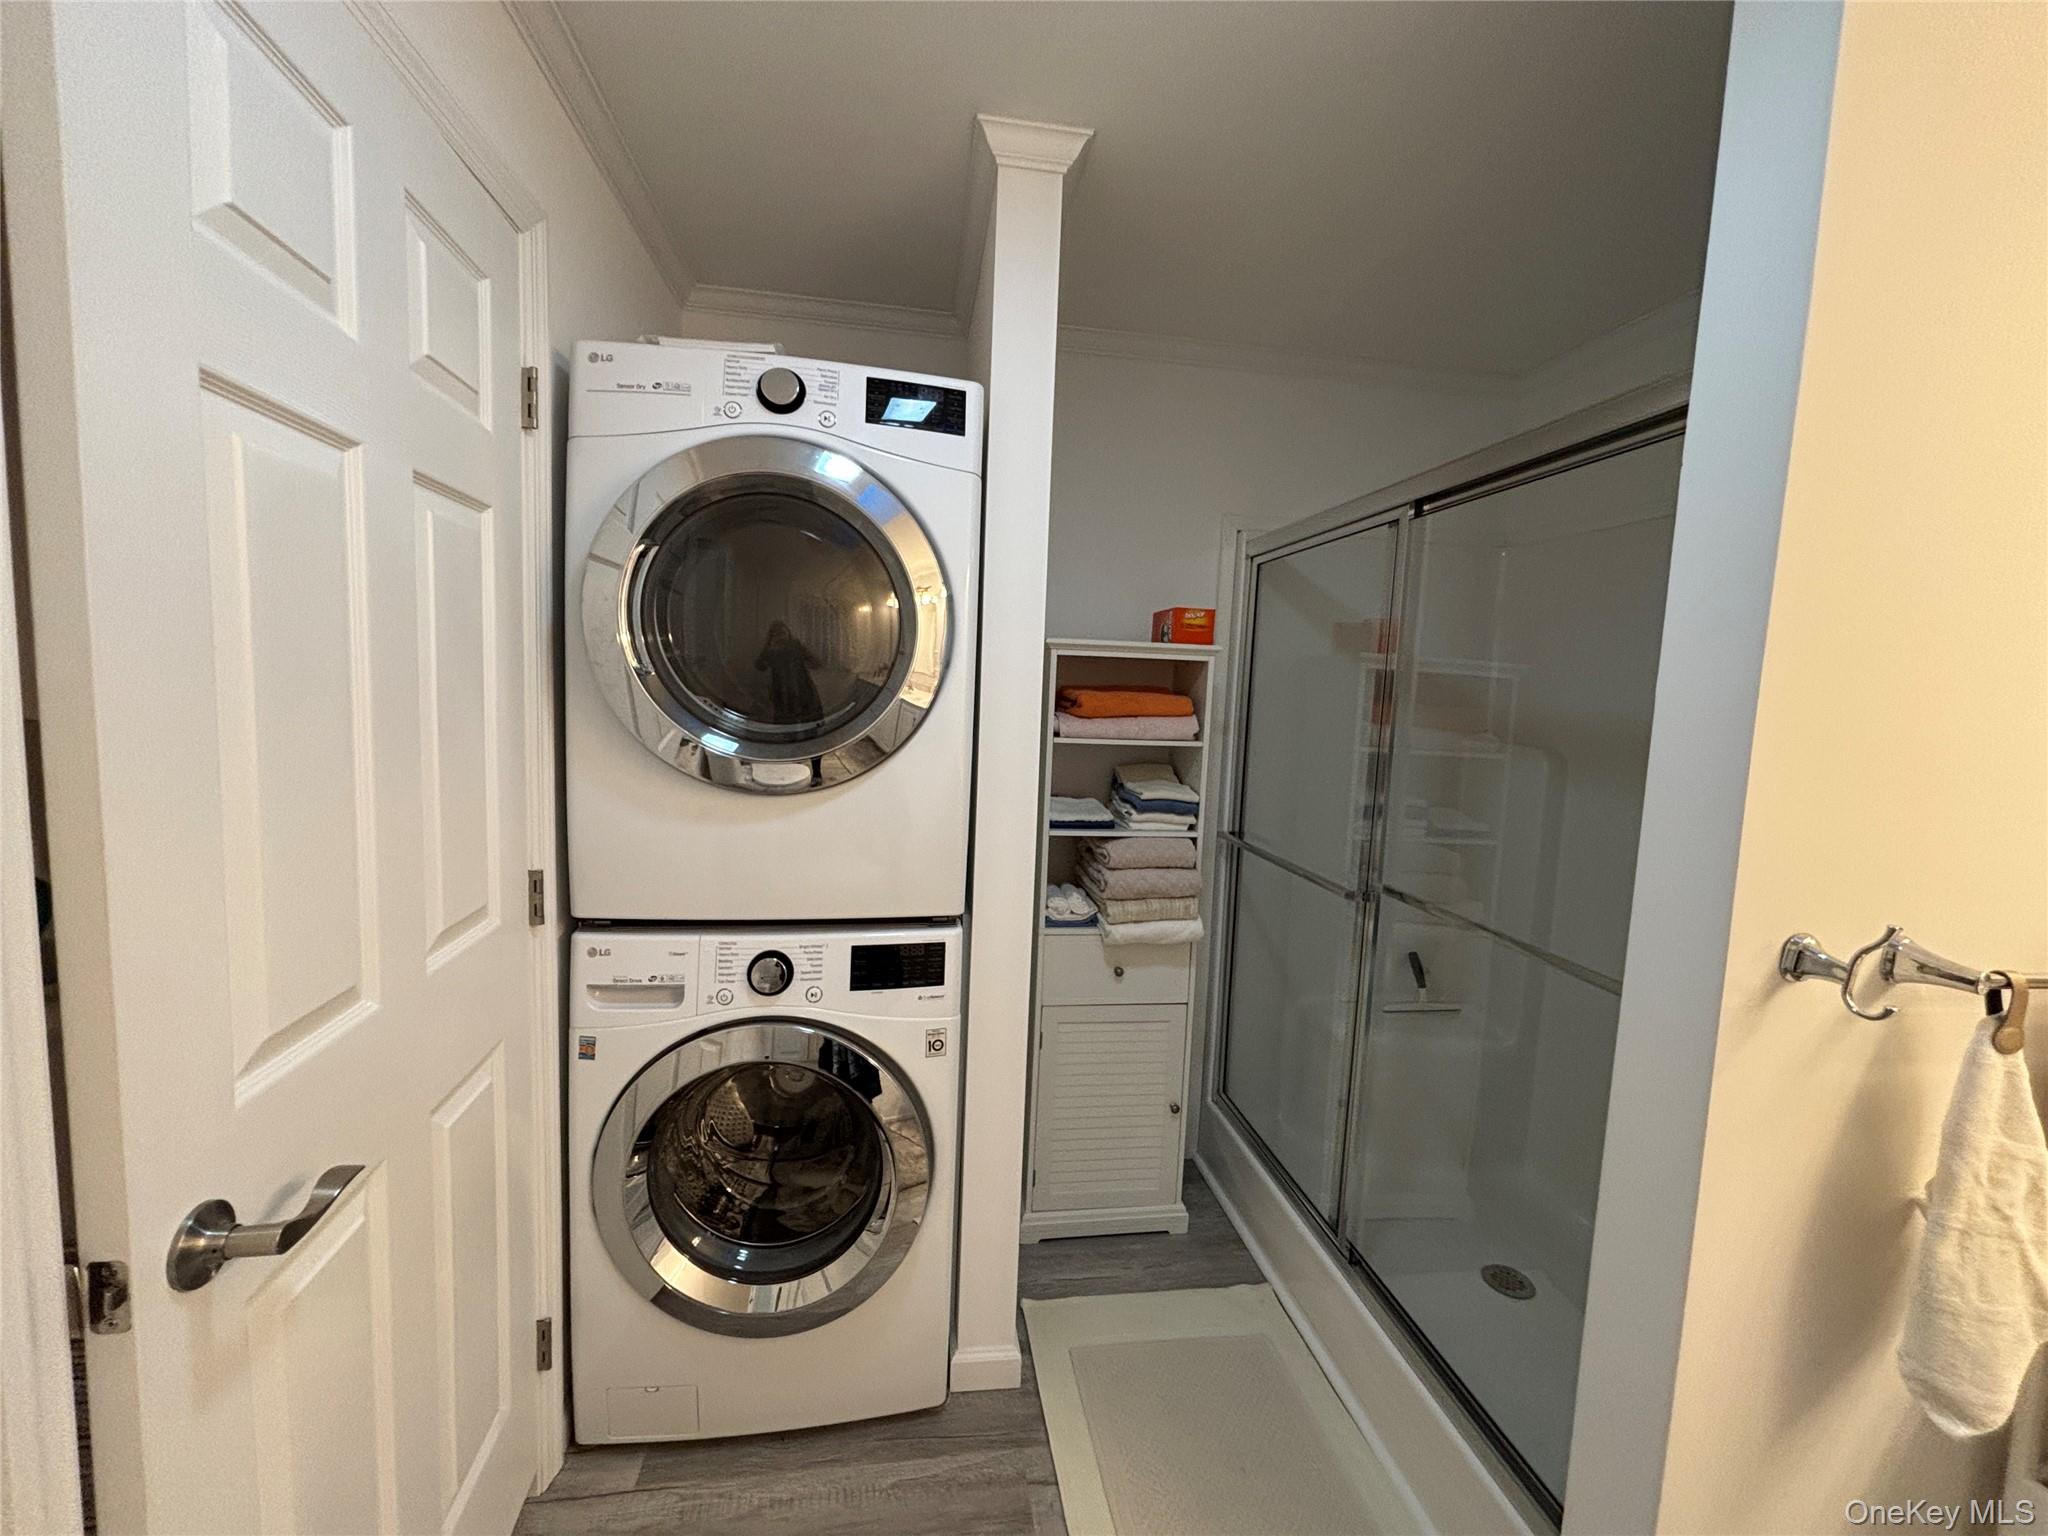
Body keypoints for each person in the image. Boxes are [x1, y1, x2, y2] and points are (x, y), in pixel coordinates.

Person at [753, 619, 824, 725]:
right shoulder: (771, 649)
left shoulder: (796, 646)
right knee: (787, 722)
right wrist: (768, 649)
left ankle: (808, 738)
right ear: (772, 637)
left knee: (808, 719)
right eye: (777, 634)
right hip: (781, 690)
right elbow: (760, 667)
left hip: (801, 686)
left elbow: (816, 663)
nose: (781, 637)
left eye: (782, 633)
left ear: (788, 633)